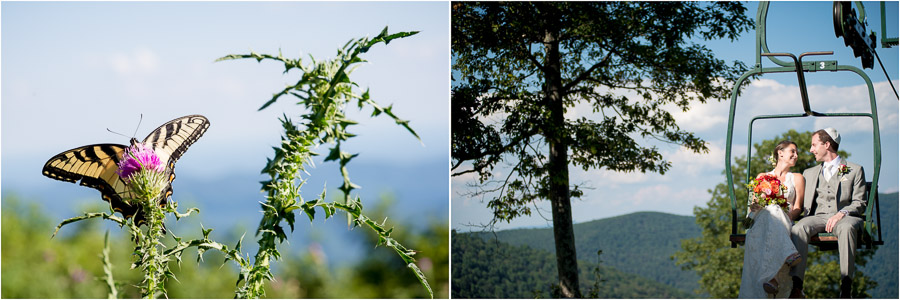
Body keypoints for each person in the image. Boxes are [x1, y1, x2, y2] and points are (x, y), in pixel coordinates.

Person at [789, 128, 866, 299]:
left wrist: (842, 213)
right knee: (798, 228)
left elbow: (860, 203)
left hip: (845, 217)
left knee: (846, 228)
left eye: (814, 145)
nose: (811, 150)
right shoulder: (809, 173)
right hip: (818, 217)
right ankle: (796, 286)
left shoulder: (854, 170)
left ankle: (846, 286)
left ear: (827, 144)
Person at [739, 140, 805, 298]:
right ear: (780, 153)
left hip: (785, 219)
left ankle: (773, 279)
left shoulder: (797, 178)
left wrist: (787, 216)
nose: (796, 155)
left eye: (796, 153)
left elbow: (797, 207)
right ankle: (787, 255)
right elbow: (754, 204)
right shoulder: (762, 177)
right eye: (793, 151)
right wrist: (758, 202)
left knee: (776, 211)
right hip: (762, 217)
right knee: (772, 209)